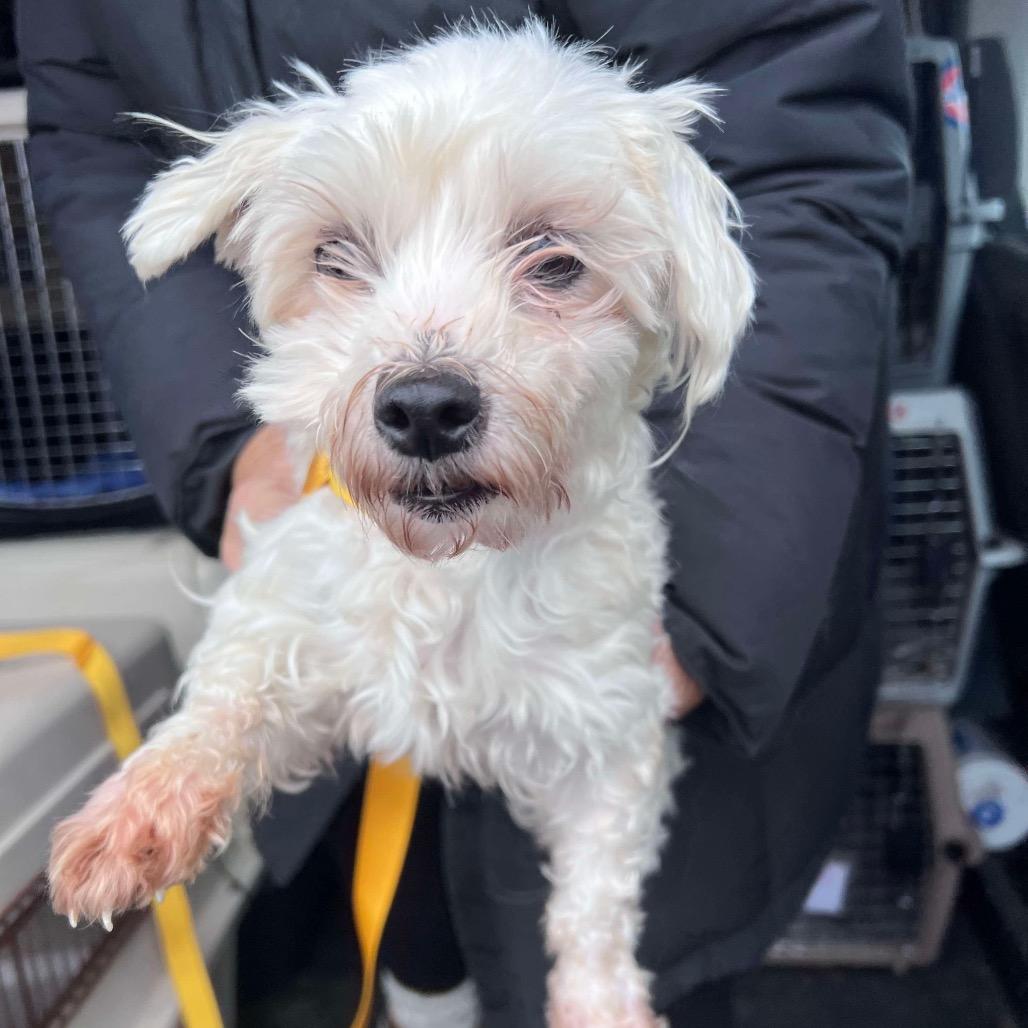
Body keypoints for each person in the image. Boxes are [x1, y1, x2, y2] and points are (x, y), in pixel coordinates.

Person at [18, 2, 911, 1025]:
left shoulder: (633, 579)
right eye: (340, 257)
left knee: (628, 834)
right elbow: (92, 134)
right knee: (405, 917)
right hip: (342, 572)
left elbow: (803, 126)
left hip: (660, 542)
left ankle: (595, 970)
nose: (425, 379)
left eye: (552, 266)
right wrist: (206, 741)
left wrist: (715, 600)